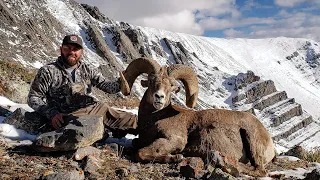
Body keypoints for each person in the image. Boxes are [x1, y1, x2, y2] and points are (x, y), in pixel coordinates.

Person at [27, 34, 137, 136]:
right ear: (61, 49)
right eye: (67, 48)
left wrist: (123, 80)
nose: (72, 52)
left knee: (134, 120)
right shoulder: (48, 71)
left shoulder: (87, 69)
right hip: (69, 116)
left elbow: (108, 87)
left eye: (75, 49)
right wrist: (52, 113)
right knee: (89, 132)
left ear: (81, 52)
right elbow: (33, 97)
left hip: (95, 108)